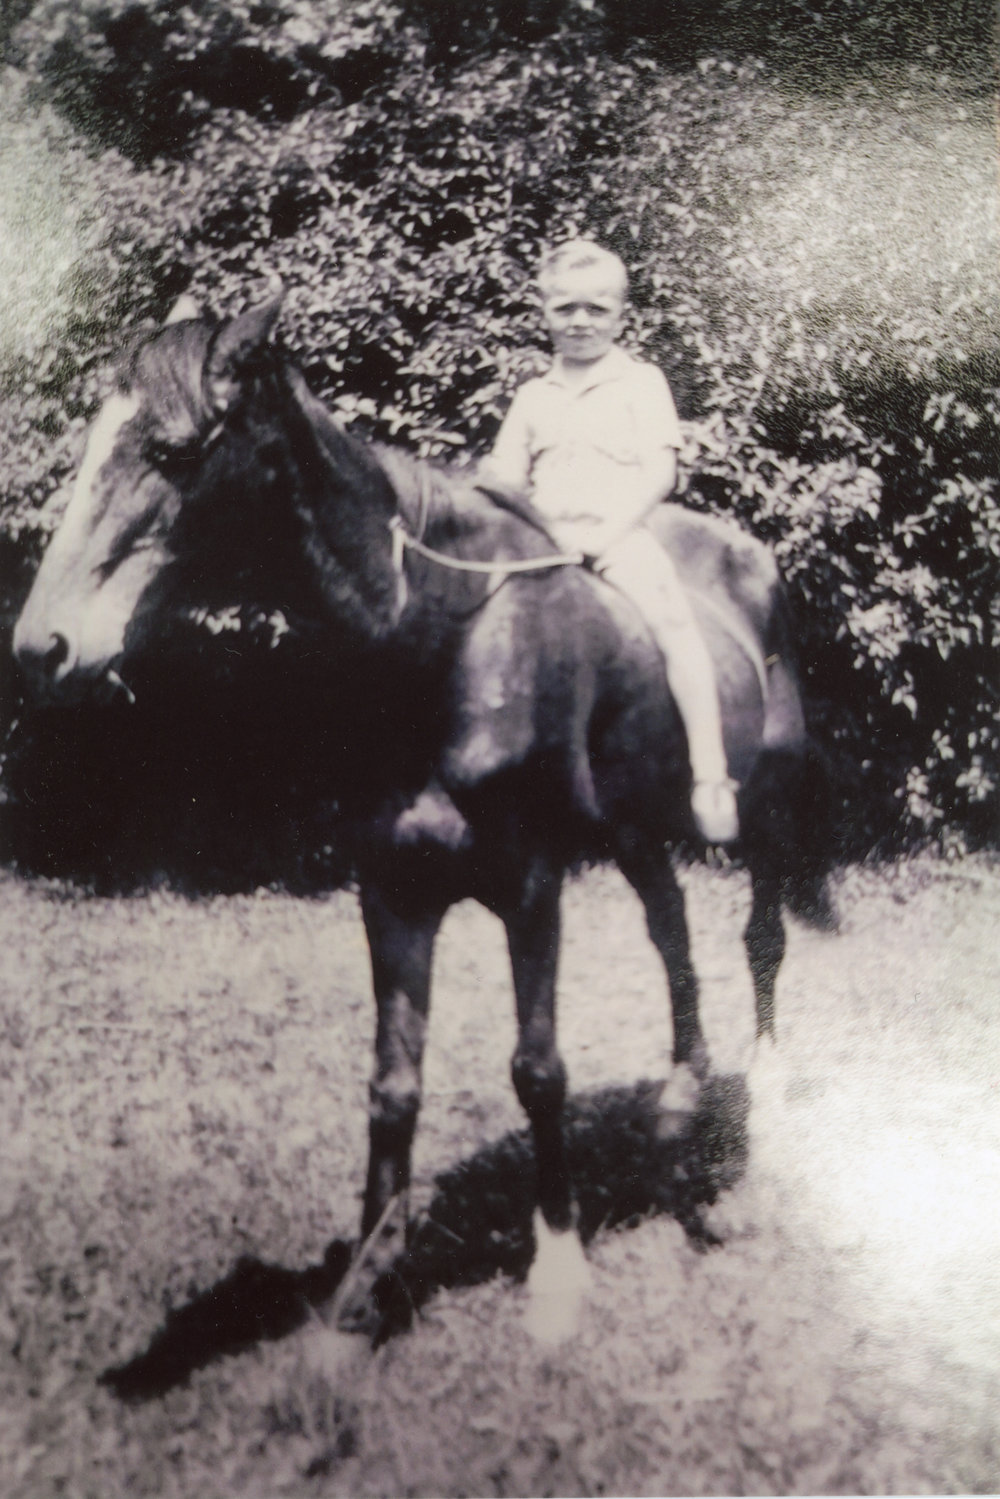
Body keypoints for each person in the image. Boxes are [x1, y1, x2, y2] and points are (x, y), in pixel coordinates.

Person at [481, 239, 739, 844]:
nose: (580, 321)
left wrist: (605, 536)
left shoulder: (640, 383)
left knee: (675, 625)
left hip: (619, 536)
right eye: (565, 308)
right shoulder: (532, 396)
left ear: (621, 316)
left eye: (596, 309)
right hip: (544, 544)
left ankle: (710, 775)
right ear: (543, 312)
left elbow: (660, 474)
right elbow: (503, 479)